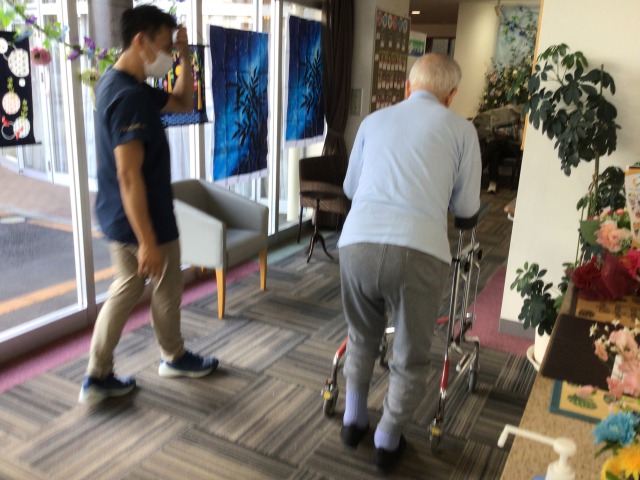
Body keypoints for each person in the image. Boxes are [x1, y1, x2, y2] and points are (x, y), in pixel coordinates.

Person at [337, 53, 481, 473]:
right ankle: (387, 439)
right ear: (451, 95)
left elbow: (350, 188)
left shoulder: (373, 121)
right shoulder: (462, 130)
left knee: (361, 336)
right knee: (409, 351)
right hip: (418, 251)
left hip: (357, 243)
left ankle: (353, 420)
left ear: (407, 87)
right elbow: (466, 209)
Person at [79, 5, 218, 405]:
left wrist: (185, 56)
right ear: (140, 40)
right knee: (158, 286)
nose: (167, 54)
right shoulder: (129, 98)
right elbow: (128, 175)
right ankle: (164, 359)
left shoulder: (122, 84)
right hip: (143, 218)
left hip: (120, 214)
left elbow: (184, 102)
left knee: (132, 287)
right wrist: (147, 241)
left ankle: (101, 373)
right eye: (165, 45)